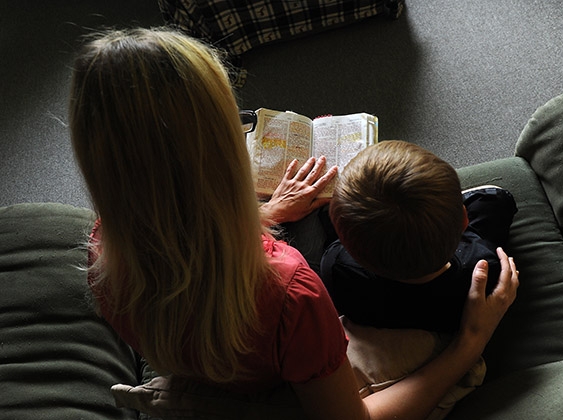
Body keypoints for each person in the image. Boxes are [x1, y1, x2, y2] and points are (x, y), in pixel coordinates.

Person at [70, 27, 518, 419]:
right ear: (217, 153)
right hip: (284, 365)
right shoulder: (292, 293)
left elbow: (176, 228)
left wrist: (264, 214)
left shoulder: (102, 242)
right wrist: (469, 343)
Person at [321, 140, 518, 332]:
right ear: (464, 221)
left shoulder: (337, 268)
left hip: (381, 297)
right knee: (496, 199)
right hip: (450, 291)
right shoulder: (484, 272)